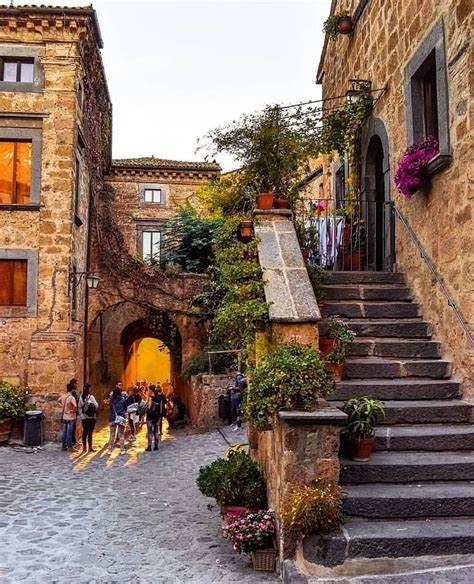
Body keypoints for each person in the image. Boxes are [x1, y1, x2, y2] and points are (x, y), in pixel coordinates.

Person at [78, 383, 99, 453]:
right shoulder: (91, 397)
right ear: (89, 389)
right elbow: (97, 405)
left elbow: (79, 407)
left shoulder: (81, 397)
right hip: (91, 417)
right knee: (90, 432)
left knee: (85, 432)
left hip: (84, 417)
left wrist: (82, 415)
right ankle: (90, 447)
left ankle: (84, 448)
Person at [107, 383, 127, 455]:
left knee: (112, 434)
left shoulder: (111, 401)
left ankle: (109, 449)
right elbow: (125, 409)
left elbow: (109, 409)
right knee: (121, 435)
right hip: (121, 418)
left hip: (112, 418)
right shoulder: (123, 400)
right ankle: (122, 450)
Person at [58, 383, 78, 451]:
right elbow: (75, 406)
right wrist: (73, 411)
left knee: (64, 432)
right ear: (72, 390)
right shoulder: (71, 398)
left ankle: (63, 446)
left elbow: (58, 401)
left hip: (64, 416)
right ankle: (70, 446)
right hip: (70, 417)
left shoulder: (63, 396)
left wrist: (63, 407)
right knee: (69, 432)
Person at [145, 385, 165, 452]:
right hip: (157, 416)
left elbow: (149, 407)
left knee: (150, 431)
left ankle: (149, 446)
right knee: (156, 431)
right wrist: (160, 416)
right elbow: (161, 408)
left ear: (151, 390)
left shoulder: (151, 398)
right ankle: (156, 446)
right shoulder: (160, 398)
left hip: (150, 416)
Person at [69, 378, 80, 447]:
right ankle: (73, 442)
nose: (77, 385)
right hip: (73, 412)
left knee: (73, 427)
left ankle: (74, 441)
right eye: (76, 383)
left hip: (72, 411)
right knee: (72, 427)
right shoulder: (73, 393)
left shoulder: (73, 393)